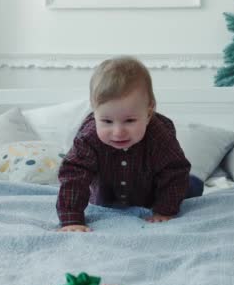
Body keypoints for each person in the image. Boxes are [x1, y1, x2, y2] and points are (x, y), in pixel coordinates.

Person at [56, 56, 202, 232]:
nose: (118, 132)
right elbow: (74, 175)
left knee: (186, 184)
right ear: (94, 112)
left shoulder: (159, 135)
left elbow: (174, 171)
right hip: (107, 196)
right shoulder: (88, 138)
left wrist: (165, 211)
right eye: (107, 121)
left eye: (130, 120)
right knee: (82, 180)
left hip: (153, 193)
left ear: (149, 113)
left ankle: (193, 184)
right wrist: (72, 218)